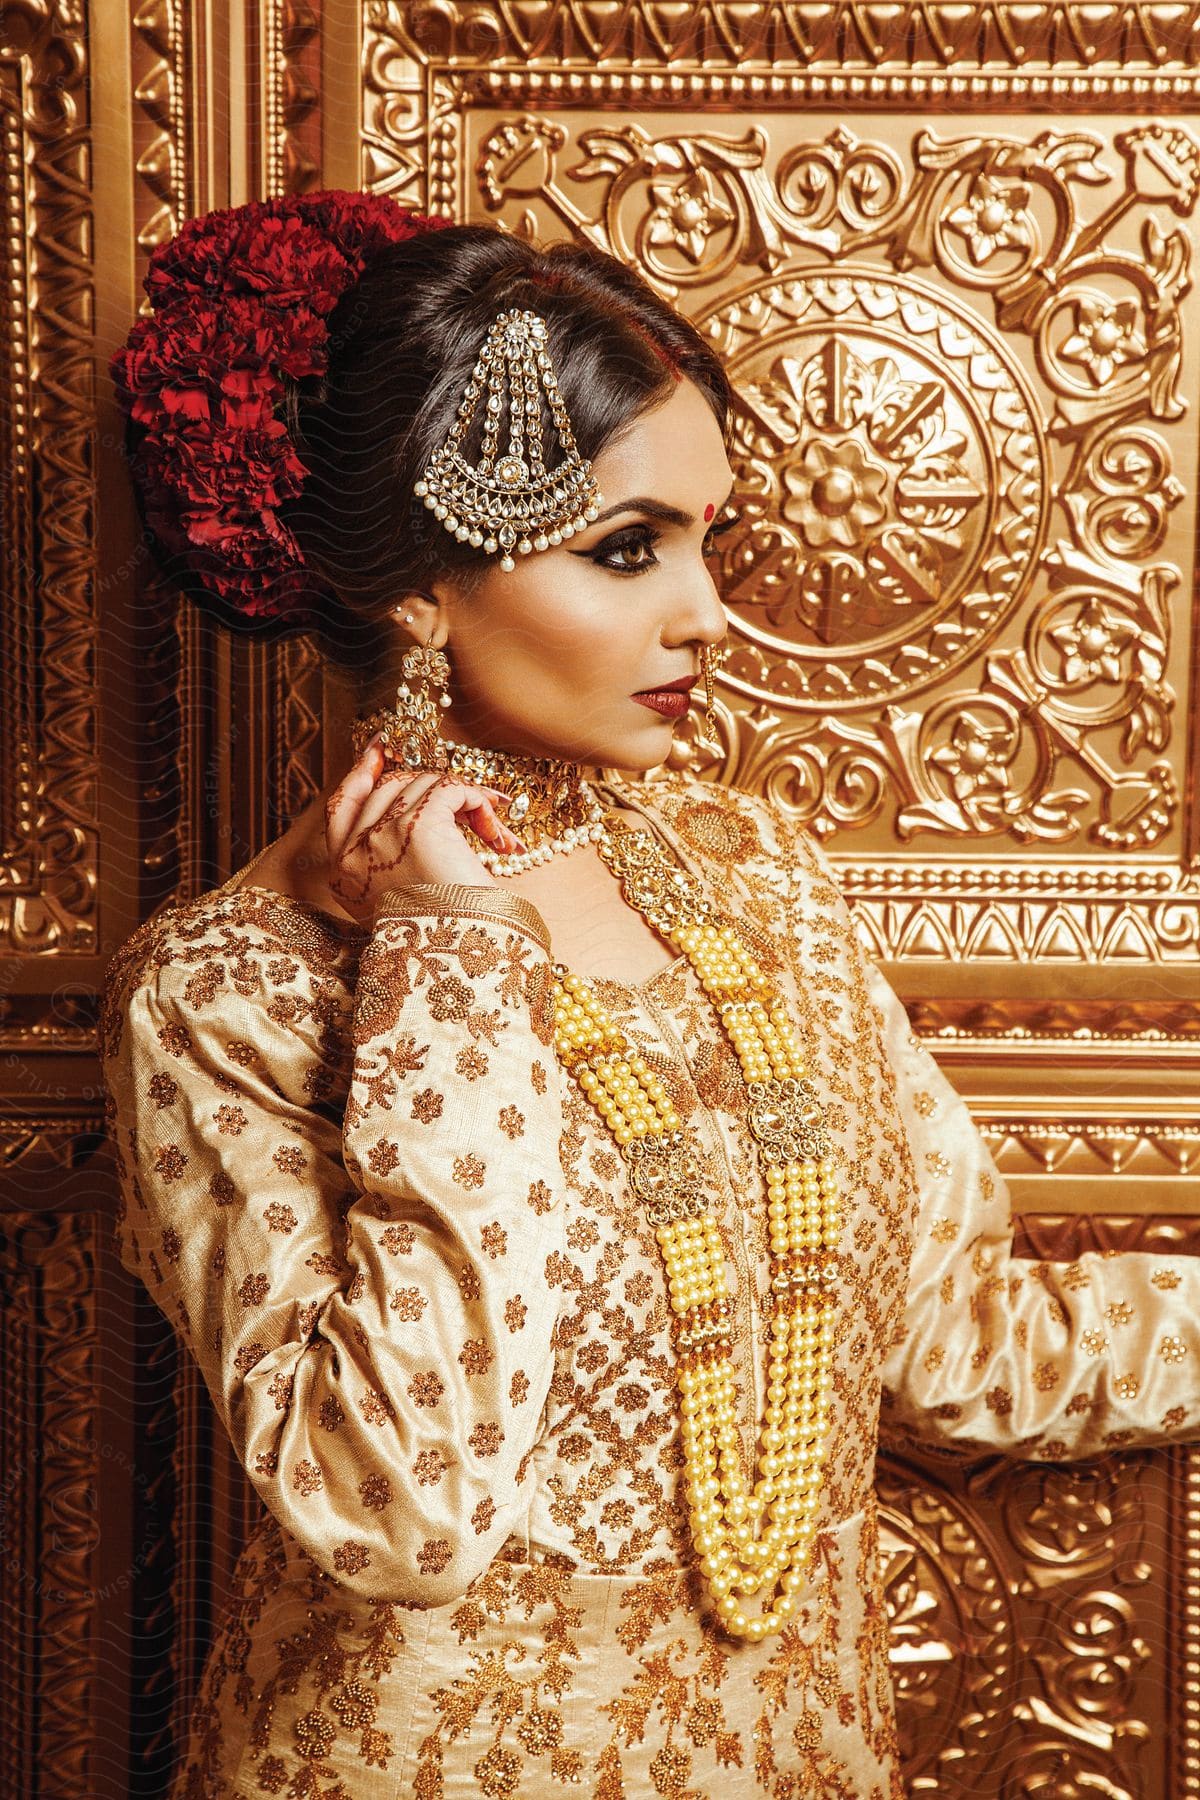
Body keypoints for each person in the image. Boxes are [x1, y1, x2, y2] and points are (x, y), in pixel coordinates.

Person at [99, 190, 1200, 1800]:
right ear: (420, 588)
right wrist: (446, 947)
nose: (708, 615)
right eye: (629, 550)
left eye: (707, 539)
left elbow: (952, 1343)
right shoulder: (228, 993)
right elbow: (398, 1509)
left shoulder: (753, 873)